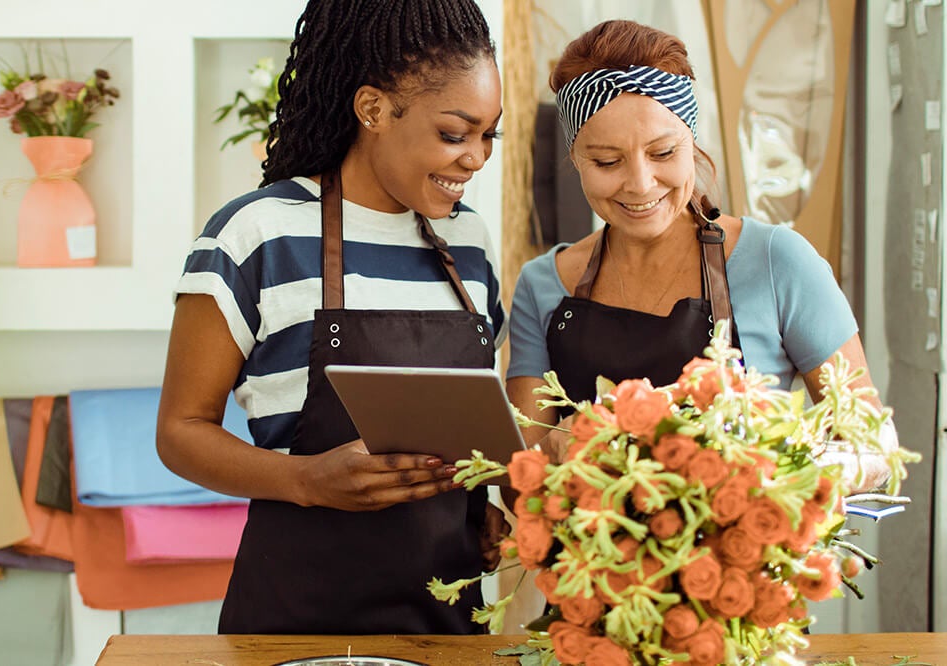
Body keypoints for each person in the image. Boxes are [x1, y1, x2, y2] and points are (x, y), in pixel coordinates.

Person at [155, 0, 507, 635]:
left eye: (489, 135)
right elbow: (180, 431)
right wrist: (306, 480)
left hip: (450, 627)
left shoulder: (471, 243)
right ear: (372, 109)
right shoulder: (257, 234)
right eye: (455, 134)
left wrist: (480, 512)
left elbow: (467, 424)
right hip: (296, 619)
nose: (476, 158)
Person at [506, 19, 896, 493]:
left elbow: (875, 446)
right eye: (607, 161)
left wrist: (769, 475)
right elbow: (520, 480)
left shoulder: (777, 261)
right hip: (591, 565)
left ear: (692, 141)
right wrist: (557, 453)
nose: (640, 183)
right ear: (575, 160)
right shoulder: (543, 285)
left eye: (664, 152)